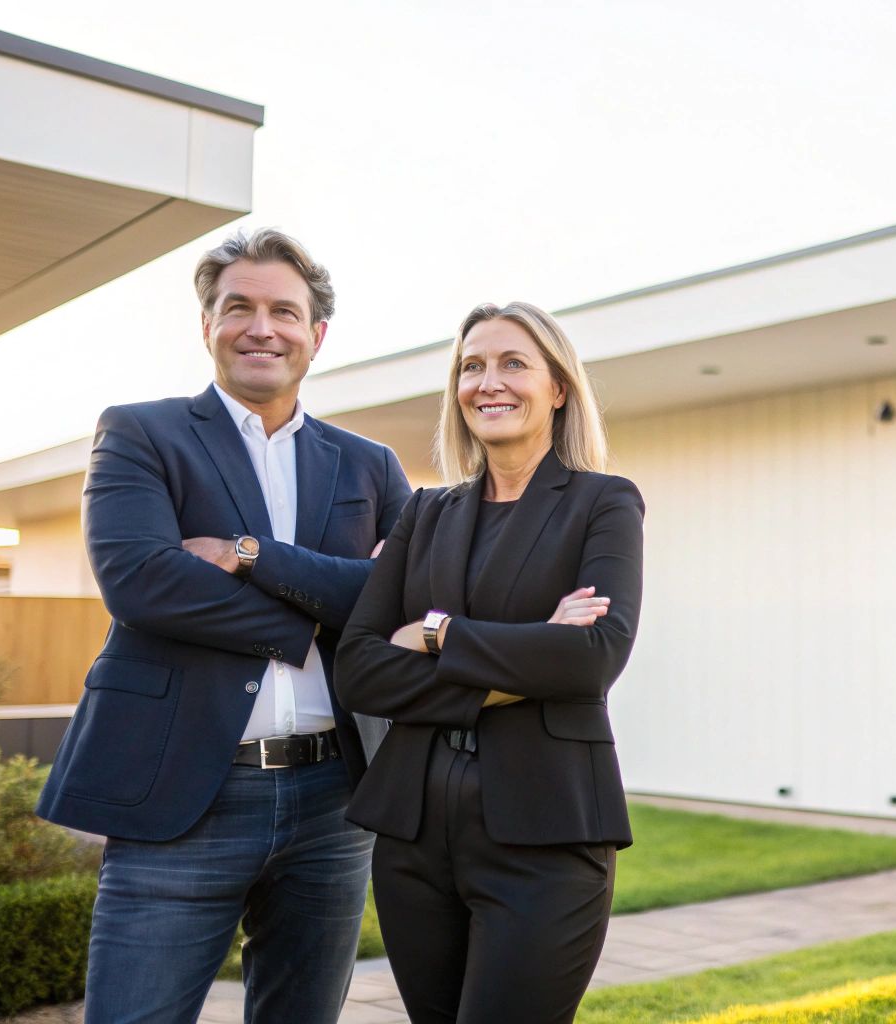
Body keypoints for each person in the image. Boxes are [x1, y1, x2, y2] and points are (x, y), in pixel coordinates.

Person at [35, 228, 412, 1023]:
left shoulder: (370, 464)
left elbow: (405, 599)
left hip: (333, 799)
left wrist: (247, 555)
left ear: (317, 334)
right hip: (182, 793)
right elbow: (141, 583)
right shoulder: (143, 433)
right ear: (206, 324)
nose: (261, 327)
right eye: (237, 306)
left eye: (284, 310)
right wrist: (320, 619)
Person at [336, 301, 643, 1023]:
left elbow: (590, 659)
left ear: (558, 388)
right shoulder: (425, 512)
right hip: (413, 835)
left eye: (513, 363)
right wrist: (527, 651)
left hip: (546, 830)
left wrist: (437, 631)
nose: (488, 382)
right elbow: (359, 669)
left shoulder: (604, 504)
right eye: (471, 366)